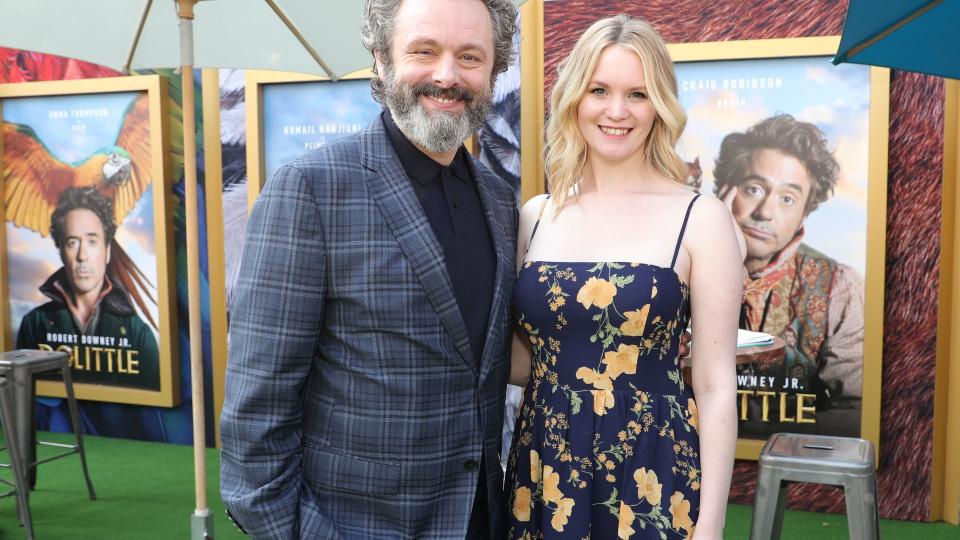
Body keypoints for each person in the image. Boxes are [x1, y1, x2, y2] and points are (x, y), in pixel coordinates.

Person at [219, 0, 519, 538]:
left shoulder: (499, 201)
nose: (447, 75)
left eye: (470, 56)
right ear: (381, 60)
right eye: (424, 51)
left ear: (494, 71)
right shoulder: (310, 190)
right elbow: (256, 415)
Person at [504, 15, 741, 540]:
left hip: (654, 472)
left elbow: (716, 384)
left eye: (637, 93)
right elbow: (524, 361)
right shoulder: (535, 215)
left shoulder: (700, 218)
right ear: (574, 100)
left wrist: (712, 526)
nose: (617, 111)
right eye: (599, 90)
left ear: (660, 104)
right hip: (544, 471)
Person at [713, 114, 864, 435]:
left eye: (787, 199)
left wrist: (773, 432)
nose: (765, 212)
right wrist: (718, 250)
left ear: (804, 214)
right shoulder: (677, 267)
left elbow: (858, 413)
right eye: (754, 189)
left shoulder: (838, 286)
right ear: (725, 190)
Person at [16, 186, 159, 391]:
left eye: (92, 241)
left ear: (108, 251)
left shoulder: (137, 333)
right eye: (72, 242)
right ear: (61, 251)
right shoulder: (34, 324)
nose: (82, 255)